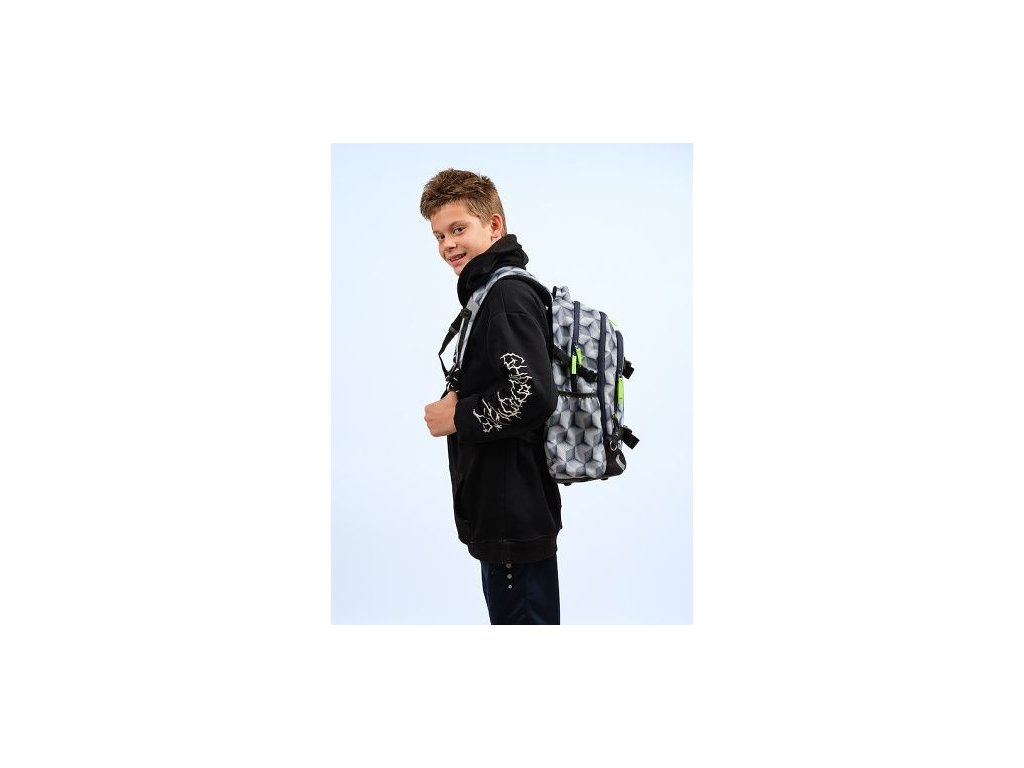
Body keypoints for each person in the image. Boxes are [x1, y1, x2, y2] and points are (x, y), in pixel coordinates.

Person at [420, 168, 562, 625]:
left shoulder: (506, 296)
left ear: (494, 225)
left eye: (458, 229)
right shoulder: (488, 293)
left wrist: (456, 417)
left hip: (512, 515)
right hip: (505, 510)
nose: (448, 245)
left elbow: (531, 394)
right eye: (439, 235)